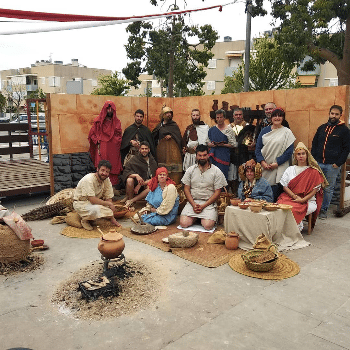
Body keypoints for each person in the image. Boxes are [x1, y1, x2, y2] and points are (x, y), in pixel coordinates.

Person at [278, 142, 328, 231]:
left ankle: (293, 230)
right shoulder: (290, 169)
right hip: (290, 197)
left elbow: (315, 190)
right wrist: (294, 196)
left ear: (307, 155)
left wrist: (302, 200)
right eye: (298, 154)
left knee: (292, 209)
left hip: (307, 200)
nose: (301, 156)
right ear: (295, 156)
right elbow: (284, 186)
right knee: (280, 206)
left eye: (303, 154)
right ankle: (282, 230)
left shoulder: (314, 171)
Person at [311, 105, 350, 219]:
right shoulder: (322, 128)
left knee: (328, 189)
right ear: (329, 113)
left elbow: (347, 148)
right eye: (332, 113)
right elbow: (314, 144)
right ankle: (314, 209)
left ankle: (323, 211)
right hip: (318, 163)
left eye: (336, 114)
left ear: (340, 115)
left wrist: (338, 163)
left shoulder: (344, 130)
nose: (334, 116)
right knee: (315, 187)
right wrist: (313, 160)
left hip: (332, 166)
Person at [180, 145, 228, 230]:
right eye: (200, 155)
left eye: (204, 155)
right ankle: (196, 218)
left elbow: (217, 192)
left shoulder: (216, 171)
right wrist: (194, 204)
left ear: (208, 155)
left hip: (208, 203)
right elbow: (186, 189)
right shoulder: (190, 170)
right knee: (184, 223)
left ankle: (203, 218)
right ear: (196, 156)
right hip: (193, 202)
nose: (202, 157)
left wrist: (203, 206)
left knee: (208, 226)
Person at [255, 108, 295, 201]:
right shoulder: (264, 130)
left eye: (280, 116)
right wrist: (263, 162)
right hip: (265, 167)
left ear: (283, 118)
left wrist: (277, 163)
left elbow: (289, 152)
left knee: (277, 194)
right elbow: (258, 149)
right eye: (275, 116)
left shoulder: (287, 132)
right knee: (264, 193)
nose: (277, 118)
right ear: (271, 118)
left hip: (279, 167)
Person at [73, 160, 121, 230]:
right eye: (102, 170)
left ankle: (102, 217)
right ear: (97, 169)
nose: (104, 173)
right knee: (97, 209)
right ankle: (85, 220)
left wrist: (110, 212)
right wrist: (108, 205)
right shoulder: (89, 179)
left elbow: (109, 196)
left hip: (95, 203)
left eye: (107, 171)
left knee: (108, 207)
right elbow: (92, 199)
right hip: (81, 203)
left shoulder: (106, 180)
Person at [88, 100, 123, 186]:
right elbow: (92, 134)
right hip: (102, 147)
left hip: (113, 149)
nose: (109, 110)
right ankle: (99, 186)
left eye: (111, 109)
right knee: (101, 165)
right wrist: (98, 140)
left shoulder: (117, 122)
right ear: (105, 109)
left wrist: (114, 141)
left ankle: (112, 188)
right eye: (108, 108)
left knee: (113, 166)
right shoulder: (98, 121)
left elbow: (119, 135)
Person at [120, 141, 158, 208]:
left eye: (146, 149)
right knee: (129, 180)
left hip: (146, 184)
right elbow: (126, 172)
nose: (144, 150)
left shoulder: (152, 161)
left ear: (149, 150)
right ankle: (131, 202)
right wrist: (136, 175)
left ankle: (132, 200)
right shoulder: (134, 159)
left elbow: (155, 177)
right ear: (139, 150)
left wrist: (141, 184)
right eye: (142, 149)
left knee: (151, 186)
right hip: (135, 184)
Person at [208, 109, 237, 180]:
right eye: (217, 117)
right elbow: (207, 142)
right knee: (212, 176)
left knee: (222, 176)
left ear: (224, 118)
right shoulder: (212, 129)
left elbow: (233, 144)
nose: (219, 119)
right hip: (213, 155)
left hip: (224, 155)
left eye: (221, 117)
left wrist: (223, 145)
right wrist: (211, 145)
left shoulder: (229, 129)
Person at [228, 108, 246, 195]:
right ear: (233, 116)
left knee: (242, 176)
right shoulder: (228, 127)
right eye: (236, 114)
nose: (238, 116)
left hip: (244, 156)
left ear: (242, 116)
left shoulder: (247, 126)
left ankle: (242, 194)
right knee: (232, 177)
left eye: (240, 114)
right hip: (232, 156)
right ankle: (234, 194)